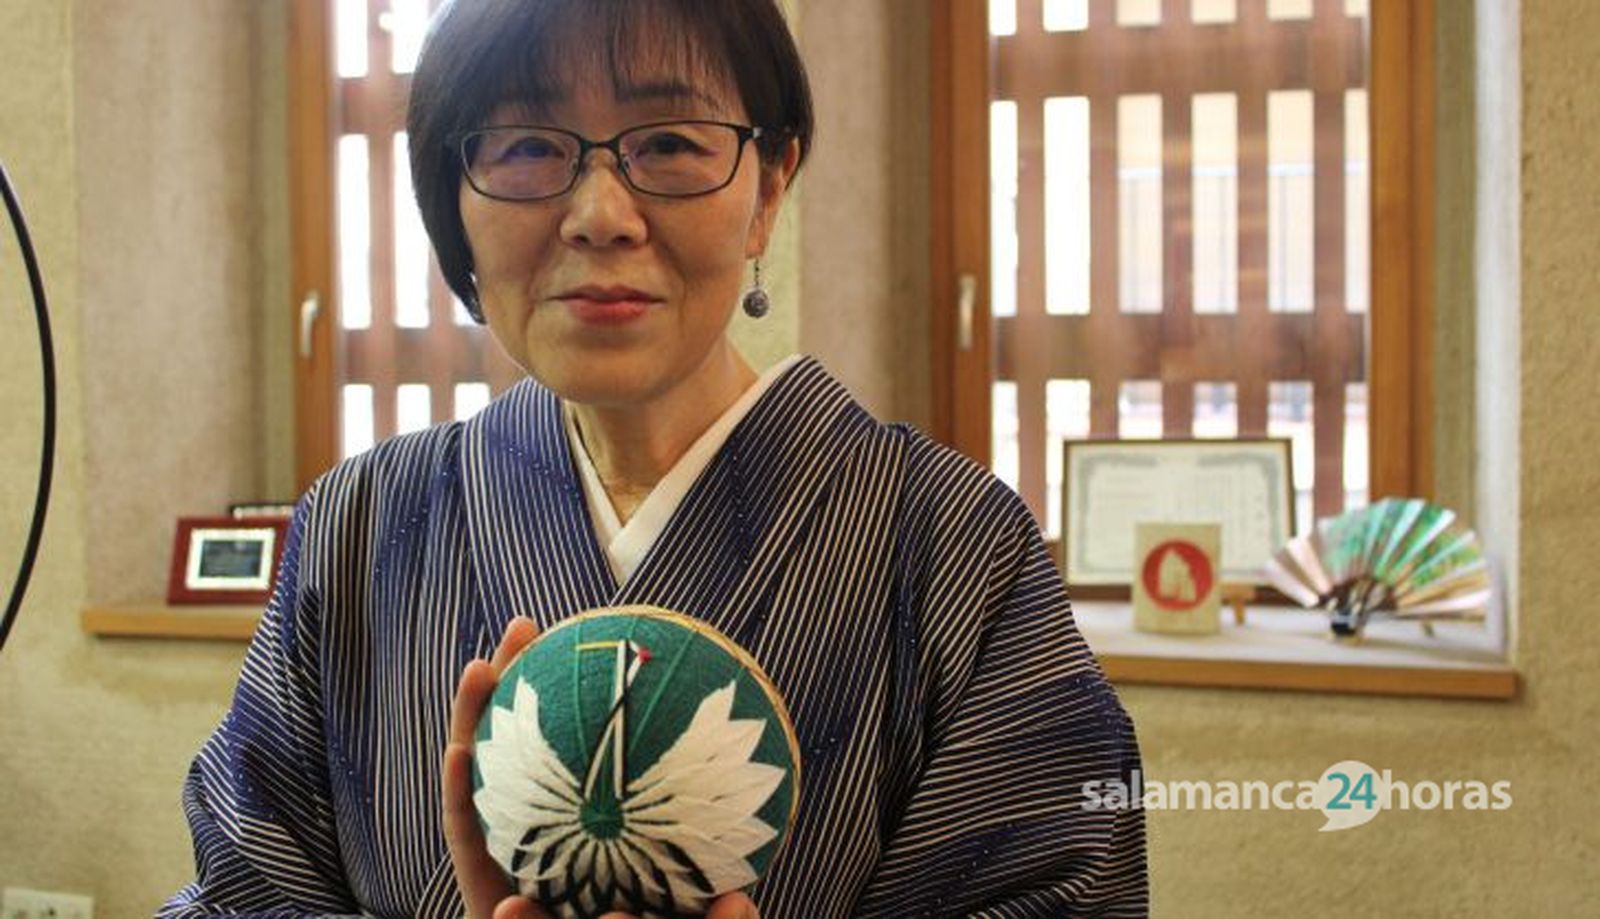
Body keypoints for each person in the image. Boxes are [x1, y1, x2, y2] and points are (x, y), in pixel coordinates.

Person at [161, 1, 1147, 916]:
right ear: (451, 206)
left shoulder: (951, 541)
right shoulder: (363, 521)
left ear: (767, 190)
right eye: (527, 146)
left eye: (669, 144)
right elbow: (243, 892)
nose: (601, 213)